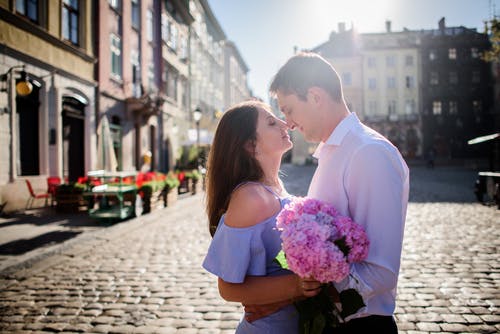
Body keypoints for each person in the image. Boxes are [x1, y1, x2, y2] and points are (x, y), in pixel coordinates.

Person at [263, 52, 410, 333]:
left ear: (315, 97)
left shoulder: (368, 153)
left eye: (289, 109)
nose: (288, 123)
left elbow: (381, 271)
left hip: (359, 325)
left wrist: (308, 291)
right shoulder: (335, 151)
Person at [202, 100, 321, 333]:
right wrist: (298, 286)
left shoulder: (275, 186)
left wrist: (287, 297)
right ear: (250, 145)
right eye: (271, 122)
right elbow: (228, 288)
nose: (284, 124)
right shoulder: (250, 197)